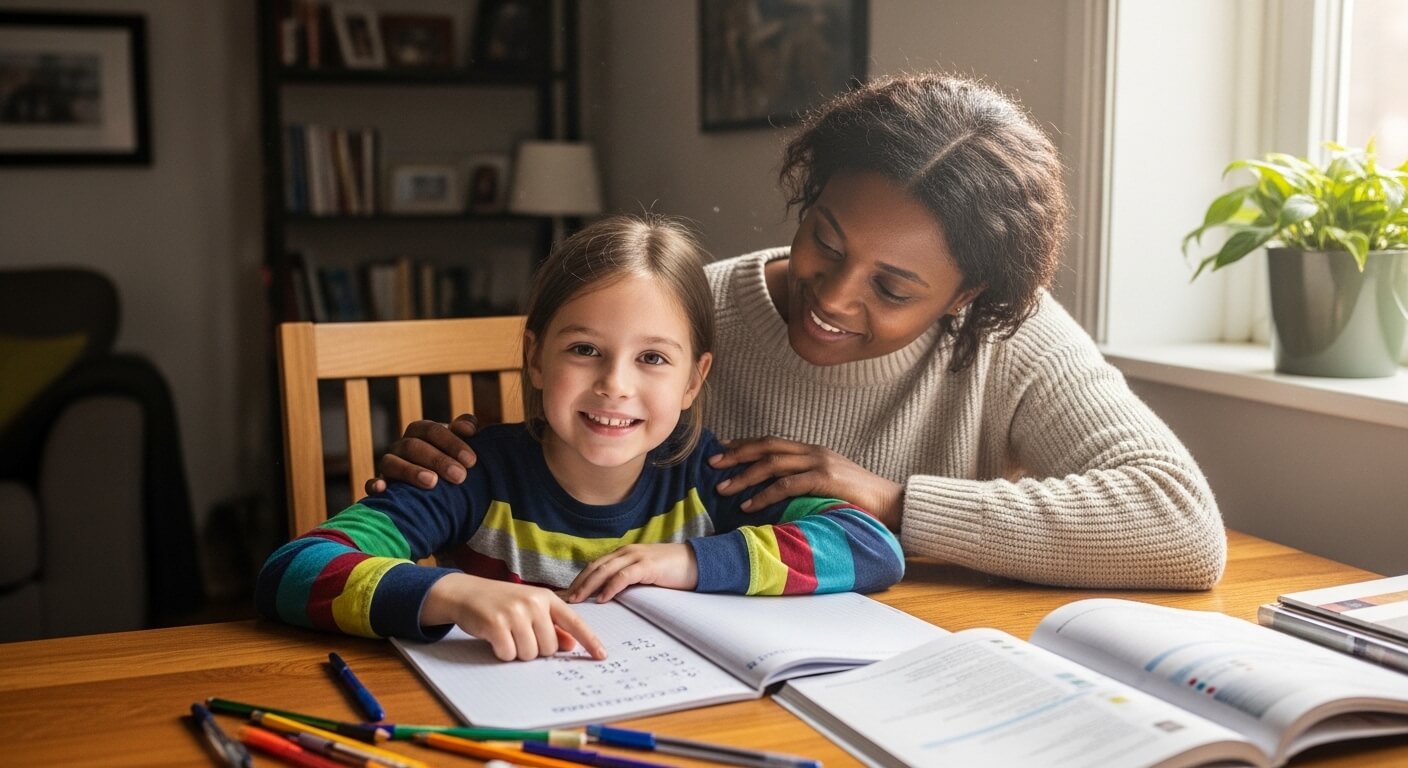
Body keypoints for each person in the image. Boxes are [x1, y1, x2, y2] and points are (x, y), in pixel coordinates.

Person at [371, 73, 1228, 591]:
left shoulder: (1008, 330)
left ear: (965, 293)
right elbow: (561, 445)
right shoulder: (683, 318)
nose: (833, 297)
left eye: (893, 287)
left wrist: (895, 503)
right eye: (824, 237)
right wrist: (458, 462)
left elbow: (1182, 525)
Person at [257, 215, 905, 662]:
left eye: (652, 359)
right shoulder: (472, 476)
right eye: (585, 349)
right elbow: (291, 572)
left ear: (693, 380)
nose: (615, 385)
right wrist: (446, 594)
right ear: (537, 360)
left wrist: (689, 563)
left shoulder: (715, 476)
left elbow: (873, 546)